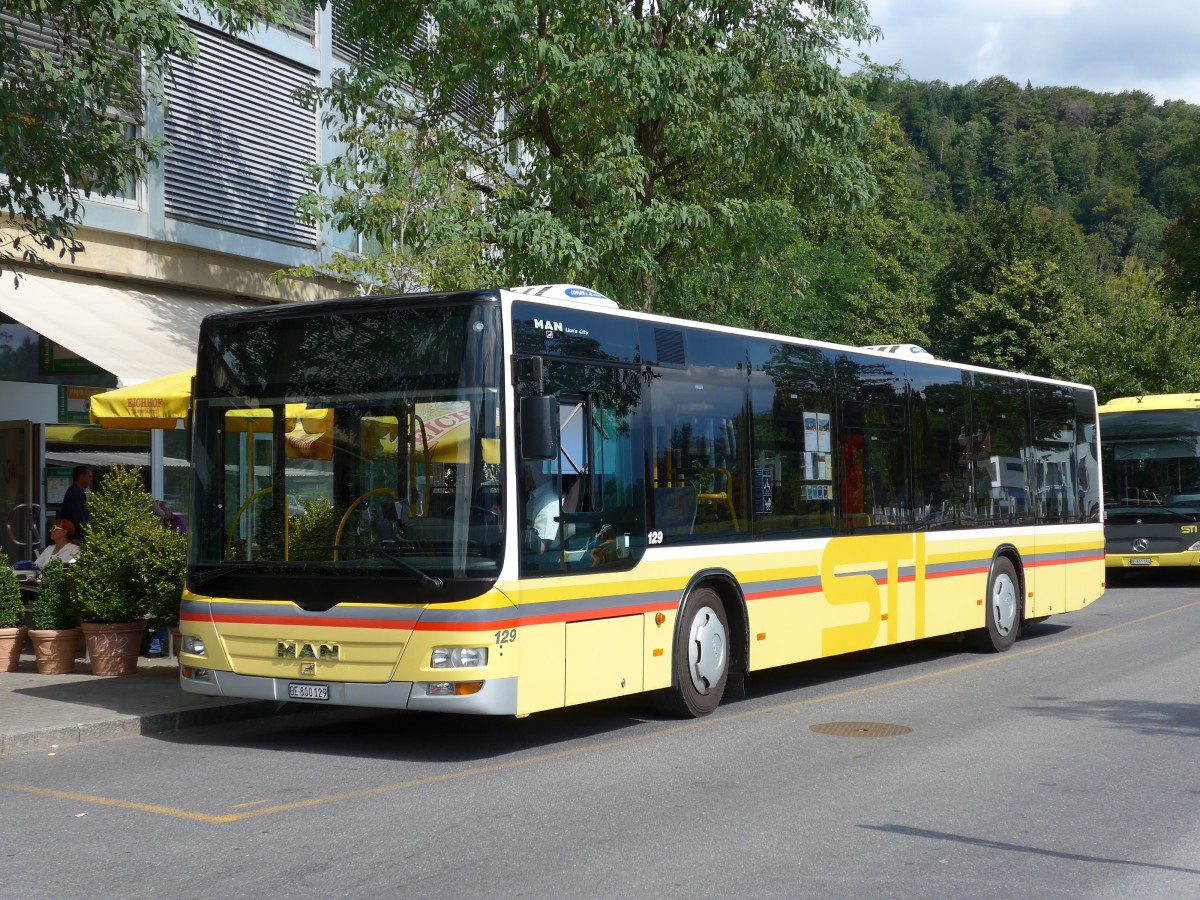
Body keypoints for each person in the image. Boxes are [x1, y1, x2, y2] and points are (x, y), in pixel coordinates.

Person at [524, 464, 561, 552]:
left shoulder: (548, 504)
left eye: (526, 473)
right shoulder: (536, 496)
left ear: (537, 474)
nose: (523, 477)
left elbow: (540, 548)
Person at [61, 465, 92, 541]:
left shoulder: (73, 491)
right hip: (75, 536)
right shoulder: (76, 493)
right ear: (81, 476)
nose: (91, 479)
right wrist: (87, 533)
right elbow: (78, 516)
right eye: (89, 476)